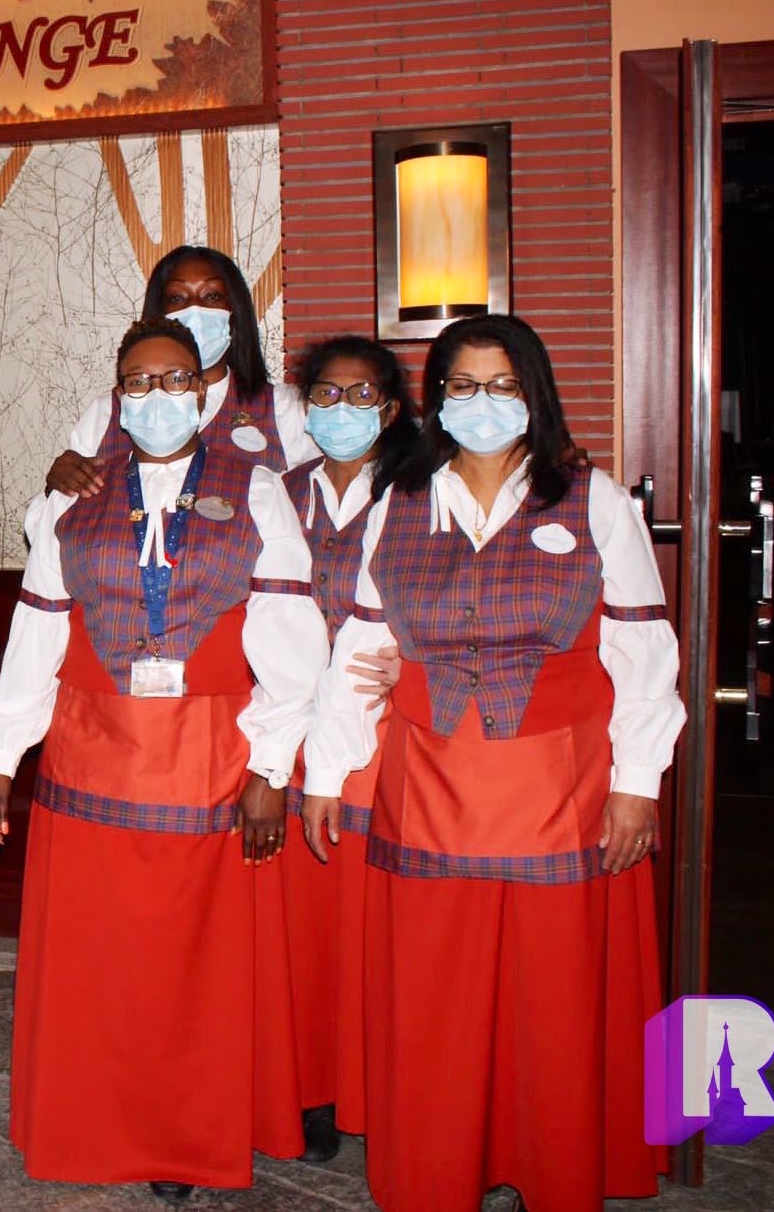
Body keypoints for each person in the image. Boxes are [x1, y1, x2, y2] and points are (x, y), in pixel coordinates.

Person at [304, 314, 684, 1212]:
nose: (482, 403)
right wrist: (326, 771)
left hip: (558, 785)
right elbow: (362, 645)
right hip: (429, 782)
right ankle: (437, 1172)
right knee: (433, 997)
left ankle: (546, 1169)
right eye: (463, 386)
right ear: (436, 399)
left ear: (534, 394)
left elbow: (642, 650)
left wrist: (636, 784)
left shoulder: (591, 499)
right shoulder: (399, 502)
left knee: (550, 1000)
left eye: (503, 385)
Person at [0, 317, 329, 1204]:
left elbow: (291, 641)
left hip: (211, 758)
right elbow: (37, 631)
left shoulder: (256, 490)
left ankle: (183, 1141)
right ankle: (94, 1125)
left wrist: (269, 770)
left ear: (202, 393)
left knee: (193, 970)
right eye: (139, 381)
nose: (157, 396)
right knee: (101, 966)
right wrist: (0, 757)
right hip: (89, 759)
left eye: (174, 380)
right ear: (117, 394)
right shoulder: (72, 496)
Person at [271, 335, 420, 1161]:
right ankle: (314, 1087)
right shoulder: (277, 491)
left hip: (380, 734)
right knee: (306, 930)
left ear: (390, 409)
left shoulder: (423, 489)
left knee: (376, 928)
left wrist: (417, 661)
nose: (341, 410)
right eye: (325, 395)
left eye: (361, 395)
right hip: (290, 727)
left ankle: (382, 1086)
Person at [44, 245, 318, 499]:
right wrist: (57, 483)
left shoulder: (282, 408)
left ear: (235, 311)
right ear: (159, 313)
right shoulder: (109, 411)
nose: (195, 309)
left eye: (212, 296)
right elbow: (66, 511)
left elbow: (319, 503)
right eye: (177, 298)